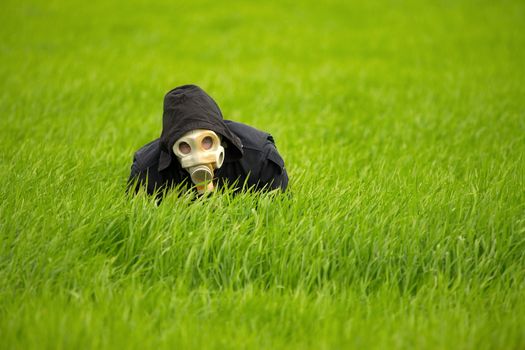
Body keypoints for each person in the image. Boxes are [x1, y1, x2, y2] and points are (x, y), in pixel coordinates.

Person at [127, 84, 288, 198]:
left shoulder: (259, 157)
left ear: (221, 137)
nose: (198, 154)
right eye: (184, 146)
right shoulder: (148, 172)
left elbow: (278, 213)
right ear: (171, 147)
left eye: (207, 141)